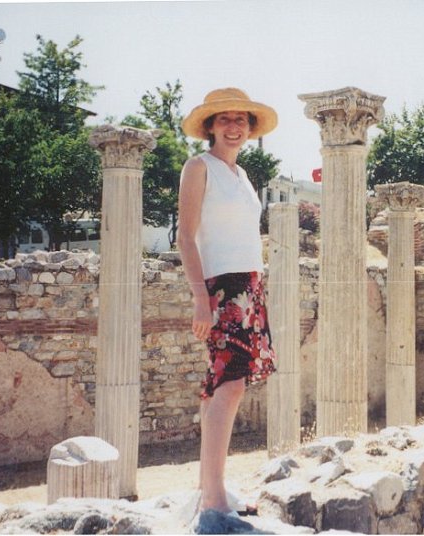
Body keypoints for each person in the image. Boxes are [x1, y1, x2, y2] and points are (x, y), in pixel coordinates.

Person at [177, 88, 278, 518]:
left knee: (219, 386)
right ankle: (214, 501)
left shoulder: (242, 176)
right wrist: (201, 297)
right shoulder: (198, 168)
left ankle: (210, 487)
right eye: (225, 120)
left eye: (241, 120)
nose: (234, 127)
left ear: (250, 129)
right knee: (231, 386)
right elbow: (185, 235)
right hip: (221, 288)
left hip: (249, 285)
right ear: (210, 127)